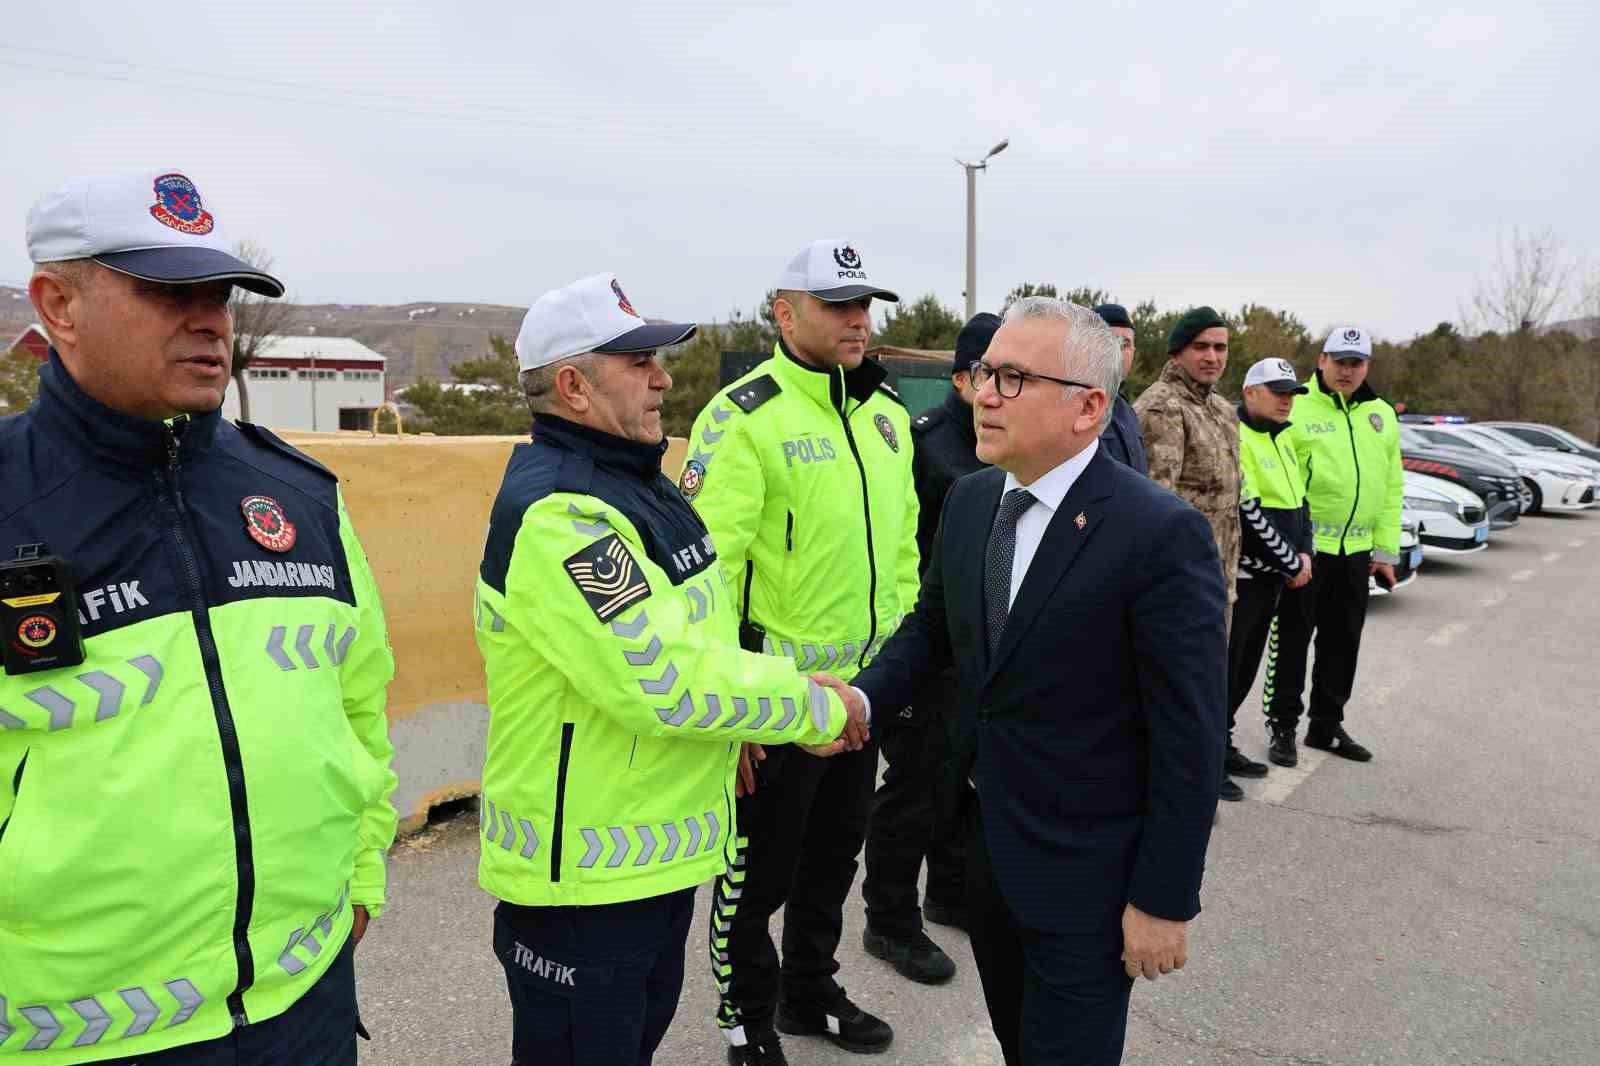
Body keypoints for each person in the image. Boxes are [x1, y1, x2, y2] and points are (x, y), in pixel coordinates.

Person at [1, 168, 398, 1064]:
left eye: (217, 292)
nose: (210, 318)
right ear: (58, 304)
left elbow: (359, 704)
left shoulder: (298, 492)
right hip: (73, 1036)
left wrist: (363, 870)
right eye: (168, 291)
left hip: (306, 1005)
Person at [473, 273, 862, 1066]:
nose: (664, 377)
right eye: (638, 361)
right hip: (584, 887)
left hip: (647, 864)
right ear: (573, 386)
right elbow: (665, 676)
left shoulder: (637, 482)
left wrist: (743, 723)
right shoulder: (564, 513)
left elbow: (701, 636)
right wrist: (809, 709)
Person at [836, 297, 1226, 1066]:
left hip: (1089, 883)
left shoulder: (1159, 536)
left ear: (1088, 407)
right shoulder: (974, 501)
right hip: (987, 858)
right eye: (986, 372)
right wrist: (863, 698)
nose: (983, 392)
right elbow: (931, 628)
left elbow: (1191, 736)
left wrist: (1164, 900)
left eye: (1013, 378)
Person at [683, 240, 918, 1063]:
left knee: (833, 859)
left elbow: (902, 556)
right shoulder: (744, 416)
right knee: (754, 879)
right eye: (837, 305)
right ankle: (744, 1020)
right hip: (776, 702)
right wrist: (736, 713)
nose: (859, 320)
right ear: (785, 314)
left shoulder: (887, 417)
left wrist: (893, 676)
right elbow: (706, 578)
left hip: (859, 698)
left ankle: (807, 992)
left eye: (865, 305)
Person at [860, 311, 997, 984]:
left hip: (985, 648)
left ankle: (949, 890)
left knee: (962, 777)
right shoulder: (927, 444)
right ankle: (889, 920)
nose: (1003, 389)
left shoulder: (1008, 444)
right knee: (913, 787)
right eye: (992, 374)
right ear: (963, 377)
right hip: (926, 644)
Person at [1264, 327, 1402, 766]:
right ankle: (1283, 726)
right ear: (1321, 360)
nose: (1346, 370)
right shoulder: (1296, 406)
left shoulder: (1381, 414)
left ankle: (1326, 726)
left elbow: (1392, 484)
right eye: (1339, 361)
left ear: (1367, 367)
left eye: (1355, 363)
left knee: (1343, 644)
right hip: (1308, 551)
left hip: (1356, 553)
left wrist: (1385, 551)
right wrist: (1288, 549)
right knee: (1291, 642)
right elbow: (1280, 483)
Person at [1222, 358, 1314, 801]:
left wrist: (1305, 552)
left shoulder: (1285, 437)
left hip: (1273, 577)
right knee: (1226, 670)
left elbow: (1301, 502)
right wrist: (1290, 562)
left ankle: (1223, 744)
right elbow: (1249, 514)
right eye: (1278, 391)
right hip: (1245, 578)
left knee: (1246, 670)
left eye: (1292, 392)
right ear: (1250, 392)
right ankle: (1211, 755)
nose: (1286, 399)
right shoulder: (1237, 435)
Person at [1135, 306, 1241, 613]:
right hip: (1180, 584)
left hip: (1220, 581)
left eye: (1220, 347)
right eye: (1200, 347)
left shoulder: (1222, 410)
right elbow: (1155, 509)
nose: (1212, 356)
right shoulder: (1162, 407)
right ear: (1176, 354)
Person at [1093, 303, 1148, 473]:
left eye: (1125, 344)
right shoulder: (1071, 405)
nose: (1118, 351)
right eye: (1110, 342)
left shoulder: (1127, 411)